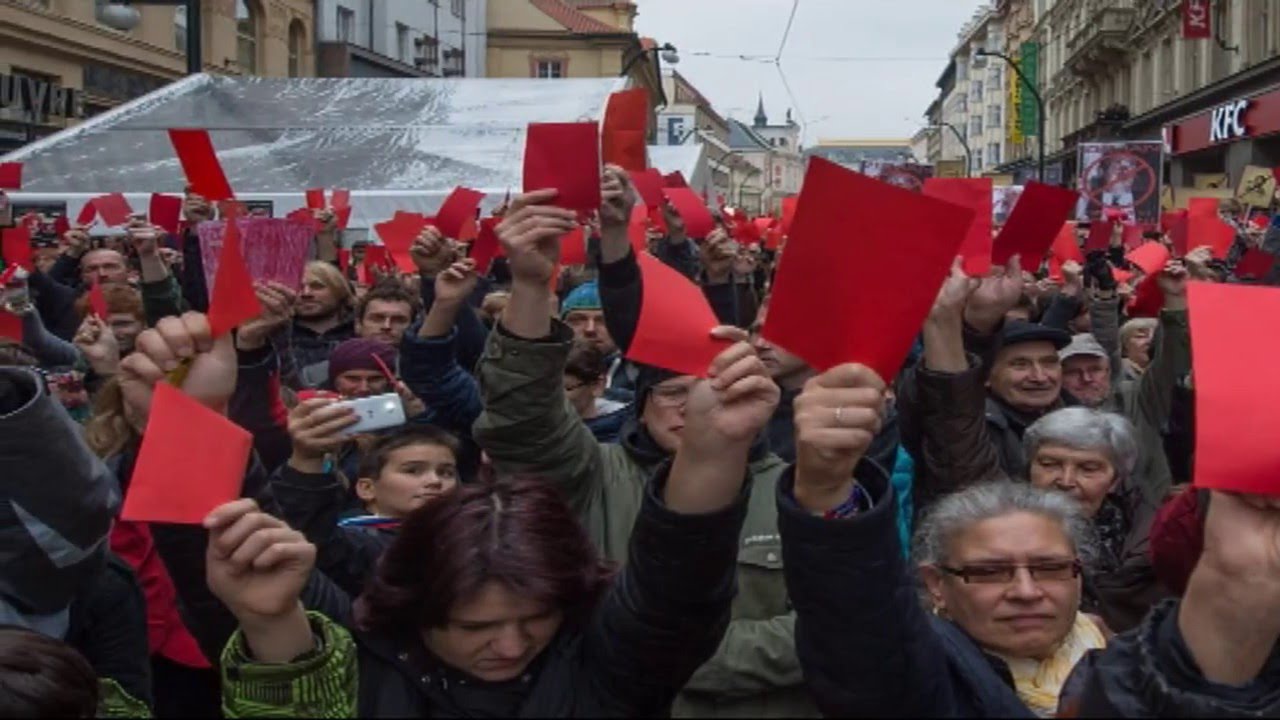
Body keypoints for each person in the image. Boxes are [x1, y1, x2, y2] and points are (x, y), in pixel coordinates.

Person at [206, 324, 779, 717]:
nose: (509, 645)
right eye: (474, 627)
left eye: (535, 619)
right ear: (412, 610)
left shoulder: (604, 671)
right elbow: (266, 584)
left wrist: (712, 454)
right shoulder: (369, 656)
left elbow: (675, 590)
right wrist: (269, 621)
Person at [475, 175, 813, 717]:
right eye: (673, 393)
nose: (693, 408)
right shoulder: (593, 474)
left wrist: (650, 647)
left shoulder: (802, 490)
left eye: (713, 394)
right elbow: (521, 420)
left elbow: (829, 626)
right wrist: (532, 288)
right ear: (643, 403)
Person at [776, 363, 1280, 716]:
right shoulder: (924, 676)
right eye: (989, 572)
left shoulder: (1120, 655)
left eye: (1049, 568)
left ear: (1080, 575)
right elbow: (856, 628)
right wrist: (825, 490)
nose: (1024, 590)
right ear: (936, 586)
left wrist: (1242, 578)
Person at [268, 412, 462, 596]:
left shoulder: (473, 535)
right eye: (413, 470)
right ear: (367, 489)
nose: (435, 481)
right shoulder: (358, 544)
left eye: (446, 472)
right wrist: (307, 458)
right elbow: (313, 535)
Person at [273, 261, 356, 390]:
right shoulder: (277, 337)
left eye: (317, 286)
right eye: (298, 287)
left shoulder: (361, 331)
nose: (306, 293)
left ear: (339, 290)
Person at [564, 339, 630, 443]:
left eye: (566, 388)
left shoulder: (625, 438)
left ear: (597, 386)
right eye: (546, 387)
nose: (553, 396)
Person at [1118, 317, 1156, 383]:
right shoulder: (1116, 373)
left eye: (1155, 337)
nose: (1150, 341)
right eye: (1141, 336)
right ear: (1124, 346)